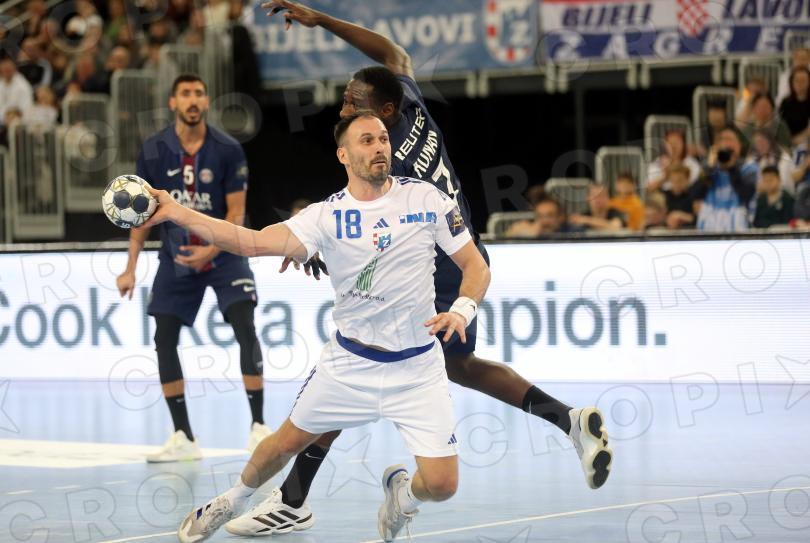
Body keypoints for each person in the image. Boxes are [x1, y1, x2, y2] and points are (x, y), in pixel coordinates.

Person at [226, 1, 614, 536]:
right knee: (458, 366)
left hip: (435, 265)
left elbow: (365, 225)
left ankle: (292, 501)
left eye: (354, 101)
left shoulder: (392, 167)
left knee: (355, 370)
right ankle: (567, 420)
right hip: (461, 247)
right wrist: (324, 20)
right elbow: (393, 54)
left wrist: (317, 248)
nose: (344, 106)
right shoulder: (409, 105)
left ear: (381, 115)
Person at [150, 111, 495, 542]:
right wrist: (176, 212)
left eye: (383, 139)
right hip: (349, 366)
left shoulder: (426, 199)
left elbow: (475, 265)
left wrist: (461, 310)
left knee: (443, 486)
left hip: (418, 369)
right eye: (366, 141)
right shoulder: (325, 216)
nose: (379, 147)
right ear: (343, 154)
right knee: (283, 443)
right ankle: (229, 501)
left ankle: (402, 497)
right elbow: (250, 241)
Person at [115, 74, 271, 461]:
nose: (193, 99)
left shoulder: (228, 148)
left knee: (245, 326)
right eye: (185, 93)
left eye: (199, 93)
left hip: (225, 252)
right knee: (163, 338)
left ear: (206, 101)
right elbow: (140, 213)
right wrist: (130, 267)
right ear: (173, 103)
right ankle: (183, 437)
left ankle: (258, 427)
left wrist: (211, 250)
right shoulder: (154, 150)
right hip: (177, 254)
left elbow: (236, 213)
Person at [693, 127, 758, 232]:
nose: (726, 143)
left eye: (730, 139)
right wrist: (709, 168)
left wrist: (732, 168)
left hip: (738, 228)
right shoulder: (710, 169)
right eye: (721, 139)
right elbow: (695, 194)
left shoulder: (749, 167)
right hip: (710, 228)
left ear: (739, 145)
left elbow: (747, 195)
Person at [505, 195, 579, 237]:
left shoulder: (572, 231)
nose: (545, 221)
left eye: (550, 215)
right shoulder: (528, 229)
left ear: (561, 216)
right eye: (540, 216)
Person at [778, 66, 810, 146]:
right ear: (791, 83)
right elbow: (780, 125)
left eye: (803, 81)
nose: (800, 84)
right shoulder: (785, 102)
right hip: (787, 142)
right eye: (797, 80)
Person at [663, 164, 696, 229]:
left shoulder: (694, 196)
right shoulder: (663, 196)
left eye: (680, 180)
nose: (676, 183)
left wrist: (682, 216)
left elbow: (700, 219)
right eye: (673, 180)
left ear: (687, 179)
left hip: (689, 231)